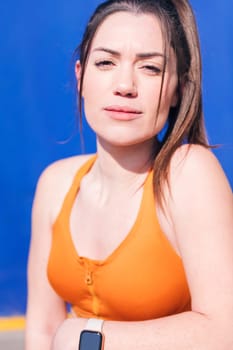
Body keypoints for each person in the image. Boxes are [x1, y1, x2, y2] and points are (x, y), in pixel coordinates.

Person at [25, 0, 233, 349]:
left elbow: (226, 331)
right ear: (80, 76)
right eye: (105, 62)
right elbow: (43, 330)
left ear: (178, 89)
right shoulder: (55, 183)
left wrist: (91, 338)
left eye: (150, 68)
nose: (125, 85)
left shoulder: (188, 174)